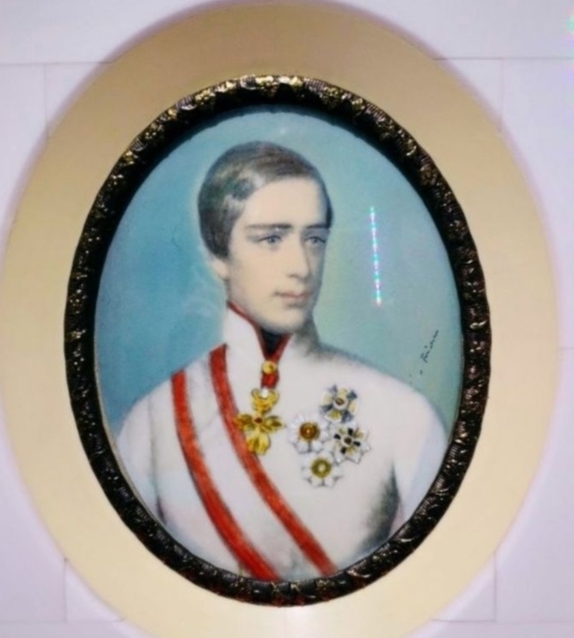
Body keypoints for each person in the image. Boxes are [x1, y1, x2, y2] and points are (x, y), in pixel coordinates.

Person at [117, 142, 447, 581]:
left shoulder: (404, 416)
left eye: (314, 239)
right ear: (218, 254)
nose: (301, 267)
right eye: (271, 239)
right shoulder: (153, 424)